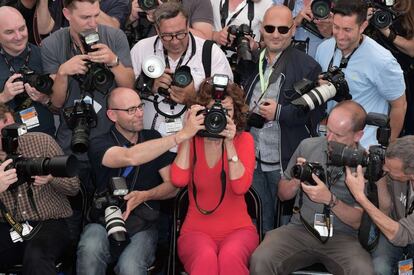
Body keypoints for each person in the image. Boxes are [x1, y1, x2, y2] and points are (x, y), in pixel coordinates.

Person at [76, 87, 198, 275]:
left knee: (130, 267)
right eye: (131, 110)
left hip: (143, 223)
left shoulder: (153, 138)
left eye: (140, 106)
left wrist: (146, 195)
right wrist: (180, 136)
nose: (140, 113)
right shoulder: (99, 143)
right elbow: (129, 157)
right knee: (90, 251)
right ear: (112, 115)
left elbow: (172, 186)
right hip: (103, 220)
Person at [41, 0, 134, 241]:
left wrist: (113, 62)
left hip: (109, 141)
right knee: (71, 219)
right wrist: (62, 73)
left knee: (111, 211)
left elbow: (129, 86)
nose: (93, 23)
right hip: (72, 141)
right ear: (66, 14)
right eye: (85, 18)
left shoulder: (114, 37)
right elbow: (57, 103)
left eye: (95, 15)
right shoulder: (52, 44)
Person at [250, 100, 375, 275]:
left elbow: (357, 222)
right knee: (261, 259)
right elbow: (282, 194)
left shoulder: (365, 164)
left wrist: (329, 200)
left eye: (338, 135)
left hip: (342, 237)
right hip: (301, 229)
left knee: (363, 271)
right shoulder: (308, 146)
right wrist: (297, 180)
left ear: (358, 136)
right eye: (328, 130)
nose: (329, 139)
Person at [240, 5, 323, 232]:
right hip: (253, 155)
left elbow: (314, 116)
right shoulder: (251, 60)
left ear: (293, 30)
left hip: (285, 160)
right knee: (259, 216)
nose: (276, 34)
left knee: (286, 222)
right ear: (261, 30)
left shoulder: (308, 66)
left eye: (283, 29)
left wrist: (280, 112)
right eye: (270, 28)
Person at [170, 77, 258, 275]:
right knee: (205, 257)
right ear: (201, 111)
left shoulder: (244, 140)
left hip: (239, 230)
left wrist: (228, 142)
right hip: (195, 231)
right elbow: (178, 180)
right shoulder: (192, 141)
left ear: (235, 114)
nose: (219, 117)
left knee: (230, 257)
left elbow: (240, 187)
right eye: (213, 111)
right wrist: (186, 134)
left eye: (226, 112)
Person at [130, 2, 232, 143]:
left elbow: (228, 103)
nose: (175, 42)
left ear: (188, 25)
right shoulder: (141, 49)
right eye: (167, 36)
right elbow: (125, 95)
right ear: (157, 30)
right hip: (150, 142)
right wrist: (148, 85)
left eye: (180, 34)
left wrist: (193, 98)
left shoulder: (210, 52)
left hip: (196, 143)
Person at [0, 103, 79, 275]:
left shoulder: (41, 141)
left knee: (37, 255)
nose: (13, 136)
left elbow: (74, 187)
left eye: (15, 128)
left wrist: (51, 178)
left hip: (50, 221)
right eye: (6, 133)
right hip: (7, 226)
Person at [315, 0, 406, 148]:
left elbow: (399, 106)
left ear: (363, 26)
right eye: (336, 27)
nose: (340, 35)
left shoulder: (382, 60)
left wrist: (386, 150)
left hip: (364, 148)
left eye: (347, 29)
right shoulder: (323, 49)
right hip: (327, 143)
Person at [345, 135, 414, 275]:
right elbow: (385, 208)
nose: (384, 168)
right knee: (379, 268)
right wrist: (376, 174)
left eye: (389, 169)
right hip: (393, 229)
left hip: (400, 233)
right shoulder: (393, 173)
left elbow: (400, 235)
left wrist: (360, 197)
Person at [0, 6, 55, 136]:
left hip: (45, 138)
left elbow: (62, 105)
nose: (18, 36)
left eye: (22, 29)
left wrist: (46, 99)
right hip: (6, 144)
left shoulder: (45, 54)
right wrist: (3, 96)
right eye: (9, 32)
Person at [365, 0, 414, 136]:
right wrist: (362, 20)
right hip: (368, 72)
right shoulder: (370, 4)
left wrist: (386, 32)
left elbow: (411, 49)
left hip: (401, 76)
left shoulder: (409, 10)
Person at [127, 0, 214, 45]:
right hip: (145, 56)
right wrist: (130, 17)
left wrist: (164, 16)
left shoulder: (197, 1)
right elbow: (116, 35)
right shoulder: (142, 2)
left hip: (185, 58)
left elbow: (204, 39)